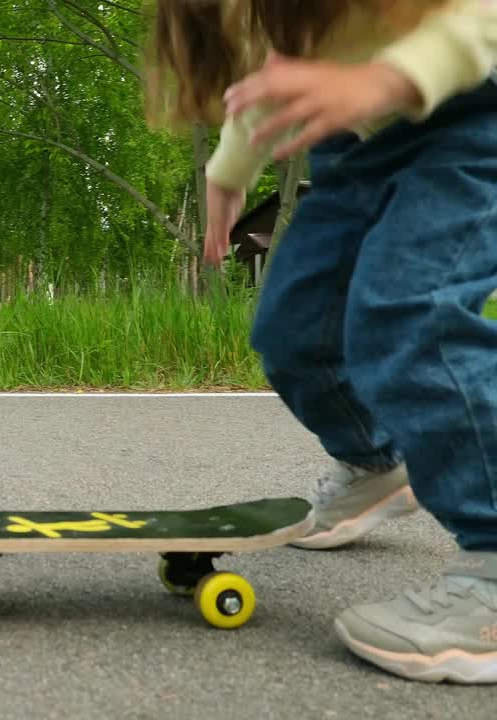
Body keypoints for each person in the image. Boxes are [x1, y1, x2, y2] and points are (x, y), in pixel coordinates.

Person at [143, 0, 497, 684]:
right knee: (293, 330)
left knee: (410, 315)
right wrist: (228, 173)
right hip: (356, 150)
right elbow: (276, 74)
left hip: (471, 122)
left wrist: (382, 79)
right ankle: (373, 467)